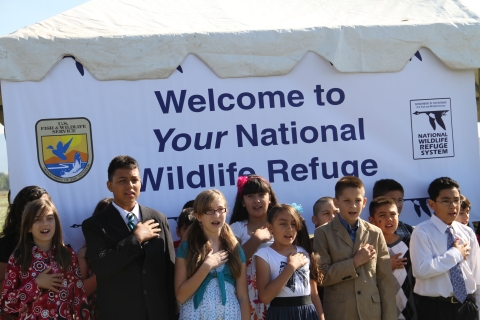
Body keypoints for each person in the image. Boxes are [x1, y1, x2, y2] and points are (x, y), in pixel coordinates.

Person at [82, 155, 178, 320]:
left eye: (134, 180)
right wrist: (136, 238)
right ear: (109, 185)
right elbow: (102, 267)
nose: (130, 185)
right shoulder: (95, 225)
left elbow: (170, 271)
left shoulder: (158, 218)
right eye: (122, 180)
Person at [314, 176, 396, 320]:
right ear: (336, 202)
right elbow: (322, 277)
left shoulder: (375, 233)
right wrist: (354, 262)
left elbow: (385, 281)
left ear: (364, 202)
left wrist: (389, 317)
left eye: (358, 200)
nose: (353, 206)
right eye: (347, 201)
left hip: (371, 313)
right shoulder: (322, 233)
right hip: (340, 313)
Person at [0, 198, 90, 319]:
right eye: (37, 220)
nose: (45, 223)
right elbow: (6, 305)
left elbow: (80, 299)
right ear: (28, 227)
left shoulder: (69, 256)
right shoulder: (18, 258)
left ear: (56, 223)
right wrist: (36, 284)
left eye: (49, 218)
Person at [410, 177, 480, 320]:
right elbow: (421, 270)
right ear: (431, 204)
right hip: (436, 308)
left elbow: (476, 275)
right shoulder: (421, 232)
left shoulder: (467, 232)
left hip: (467, 306)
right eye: (446, 201)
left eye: (456, 200)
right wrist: (456, 253)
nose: (453, 206)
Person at [174, 189, 250, 320]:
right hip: (195, 315)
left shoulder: (235, 249)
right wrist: (207, 266)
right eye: (209, 210)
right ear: (198, 216)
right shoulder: (187, 248)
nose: (216, 215)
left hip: (230, 315)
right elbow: (180, 296)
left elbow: (243, 297)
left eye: (221, 209)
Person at [255, 204, 324, 320]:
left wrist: (321, 317)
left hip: (307, 313)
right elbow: (265, 297)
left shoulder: (304, 252)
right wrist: (291, 267)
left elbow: (314, 293)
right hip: (280, 314)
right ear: (270, 227)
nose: (289, 229)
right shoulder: (264, 255)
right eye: (283, 224)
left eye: (293, 224)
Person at [229, 174, 280, 319]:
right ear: (243, 202)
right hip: (247, 299)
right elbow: (234, 262)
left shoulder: (282, 225)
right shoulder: (236, 229)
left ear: (269, 198)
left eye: (261, 194)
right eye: (250, 196)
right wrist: (256, 238)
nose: (256, 200)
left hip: (278, 297)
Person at [369, 196, 417, 320]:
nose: (389, 219)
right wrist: (385, 266)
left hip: (409, 311)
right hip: (380, 312)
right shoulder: (368, 247)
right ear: (372, 220)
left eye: (393, 214)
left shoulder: (410, 242)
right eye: (382, 215)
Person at [0, 186, 51, 292]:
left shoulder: (63, 249)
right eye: (34, 208)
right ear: (21, 212)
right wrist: (36, 283)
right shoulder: (6, 245)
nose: (42, 210)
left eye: (46, 205)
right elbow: (2, 291)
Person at [77, 197, 112, 319]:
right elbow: (80, 291)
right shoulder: (85, 253)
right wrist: (111, 266)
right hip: (98, 312)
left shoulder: (132, 248)